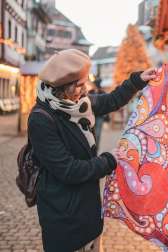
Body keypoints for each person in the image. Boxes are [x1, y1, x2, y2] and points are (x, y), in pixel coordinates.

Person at [28, 49, 156, 252]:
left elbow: (111, 100)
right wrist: (109, 160)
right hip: (63, 218)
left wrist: (137, 80)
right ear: (63, 88)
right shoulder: (41, 119)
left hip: (88, 212)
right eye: (79, 85)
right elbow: (68, 170)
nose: (85, 89)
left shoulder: (78, 103)